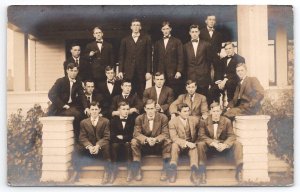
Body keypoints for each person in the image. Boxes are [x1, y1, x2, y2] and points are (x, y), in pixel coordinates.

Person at [197, 102, 243, 184]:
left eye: (218, 111)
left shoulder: (227, 121)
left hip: (223, 148)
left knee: (237, 144)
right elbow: (201, 135)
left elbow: (232, 136)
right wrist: (212, 143)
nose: (216, 114)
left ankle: (239, 171)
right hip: (210, 148)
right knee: (200, 144)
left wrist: (225, 144)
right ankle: (202, 172)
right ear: (210, 112)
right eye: (214, 111)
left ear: (221, 112)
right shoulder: (204, 121)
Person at [131, 99, 172, 181]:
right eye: (148, 109)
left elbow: (165, 133)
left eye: (152, 108)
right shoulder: (139, 118)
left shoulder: (163, 117)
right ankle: (137, 169)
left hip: (158, 146)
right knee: (134, 141)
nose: (150, 111)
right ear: (145, 109)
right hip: (144, 146)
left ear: (155, 109)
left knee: (168, 141)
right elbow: (136, 133)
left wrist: (156, 139)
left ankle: (165, 170)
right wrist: (147, 139)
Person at [48, 63, 87, 140]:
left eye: (75, 71)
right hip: (59, 108)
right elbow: (51, 94)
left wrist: (86, 108)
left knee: (83, 113)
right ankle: (78, 138)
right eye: (71, 70)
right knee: (77, 114)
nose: (73, 73)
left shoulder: (78, 81)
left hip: (70, 107)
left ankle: (82, 138)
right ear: (67, 71)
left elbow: (82, 95)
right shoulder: (60, 81)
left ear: (78, 71)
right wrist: (63, 105)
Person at [78, 102, 112, 184]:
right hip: (90, 148)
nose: (94, 111)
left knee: (107, 146)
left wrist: (97, 146)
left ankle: (107, 173)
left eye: (96, 109)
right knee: (78, 148)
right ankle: (77, 172)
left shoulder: (105, 121)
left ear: (99, 110)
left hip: (100, 147)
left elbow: (107, 137)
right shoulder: (83, 122)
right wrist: (89, 146)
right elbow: (82, 137)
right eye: (92, 109)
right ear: (89, 110)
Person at [118, 18, 152, 98]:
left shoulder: (146, 39)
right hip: (128, 71)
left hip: (141, 70)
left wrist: (148, 71)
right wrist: (120, 70)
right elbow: (121, 56)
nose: (136, 27)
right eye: (134, 25)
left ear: (140, 27)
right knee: (128, 91)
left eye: (137, 25)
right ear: (131, 27)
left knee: (141, 92)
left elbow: (148, 56)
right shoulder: (125, 40)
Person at [168, 103, 201, 185]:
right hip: (179, 145)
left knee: (194, 147)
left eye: (188, 111)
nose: (187, 113)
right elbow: (174, 138)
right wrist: (186, 143)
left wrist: (195, 142)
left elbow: (201, 130)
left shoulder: (194, 120)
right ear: (179, 112)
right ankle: (173, 170)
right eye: (184, 111)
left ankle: (194, 172)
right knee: (174, 145)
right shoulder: (172, 122)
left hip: (191, 145)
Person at [153, 21, 184, 97]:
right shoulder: (158, 43)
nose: (166, 31)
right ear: (161, 30)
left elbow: (181, 57)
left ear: (170, 29)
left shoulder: (177, 41)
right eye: (164, 29)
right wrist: (155, 73)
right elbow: (155, 60)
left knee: (173, 92)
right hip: (161, 73)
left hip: (173, 73)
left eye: (167, 28)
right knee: (162, 93)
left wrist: (179, 71)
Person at [183, 24, 213, 98]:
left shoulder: (206, 45)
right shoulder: (185, 46)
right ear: (189, 33)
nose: (194, 34)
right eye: (192, 32)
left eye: (196, 31)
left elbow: (209, 62)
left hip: (203, 78)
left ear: (199, 32)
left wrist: (206, 76)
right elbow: (184, 63)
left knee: (203, 98)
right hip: (190, 77)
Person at [110, 101, 136, 183]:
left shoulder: (132, 120)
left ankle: (129, 171)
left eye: (127, 109)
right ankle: (113, 171)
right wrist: (124, 138)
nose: (126, 111)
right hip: (117, 144)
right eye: (123, 109)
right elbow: (112, 135)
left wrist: (123, 137)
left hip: (127, 144)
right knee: (114, 145)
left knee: (128, 145)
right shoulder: (114, 120)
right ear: (119, 110)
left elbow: (133, 135)